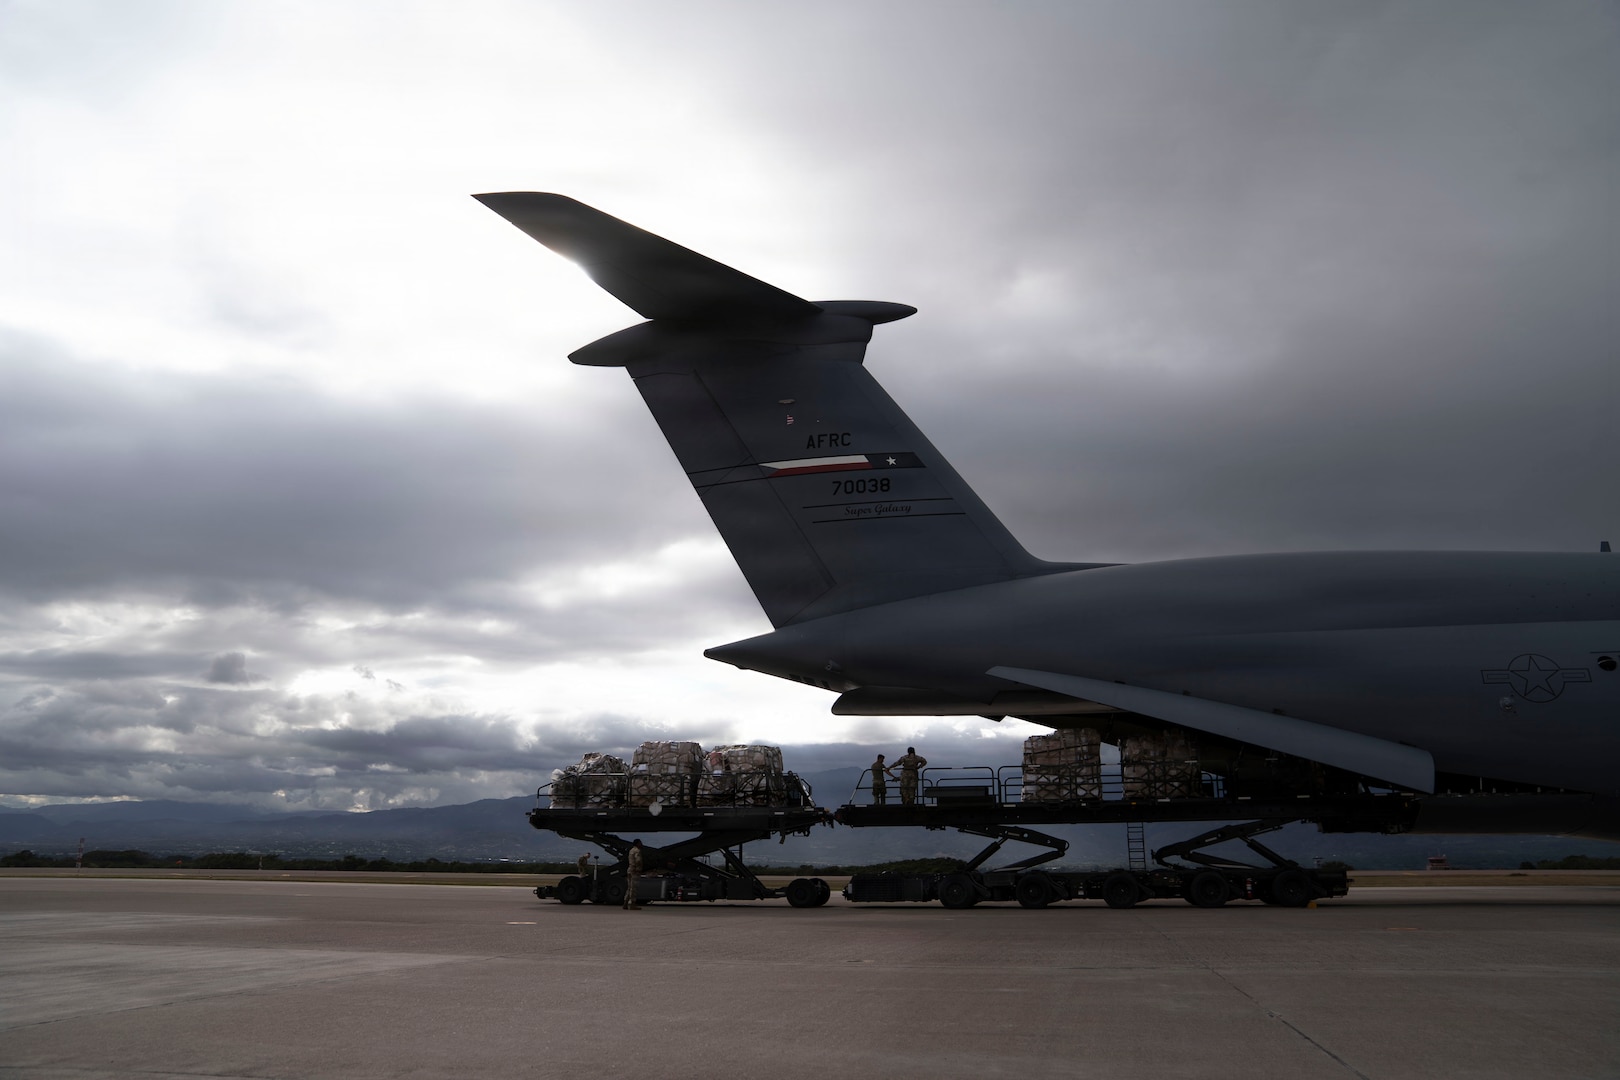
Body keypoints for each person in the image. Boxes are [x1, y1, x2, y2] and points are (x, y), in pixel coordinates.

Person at [622, 839, 643, 910]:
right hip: (634, 871)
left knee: (629, 887)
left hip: (629, 870)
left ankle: (625, 903)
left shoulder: (631, 850)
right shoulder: (637, 851)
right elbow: (638, 860)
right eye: (640, 843)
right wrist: (638, 868)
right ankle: (632, 904)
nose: (641, 844)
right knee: (633, 888)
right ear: (637, 843)